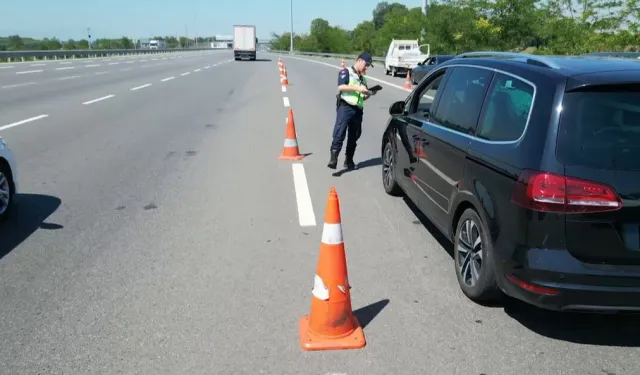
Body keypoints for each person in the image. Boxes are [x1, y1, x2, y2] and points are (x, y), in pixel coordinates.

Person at [328, 52, 377, 170]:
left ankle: (349, 160)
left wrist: (370, 93)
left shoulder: (363, 78)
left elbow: (363, 96)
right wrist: (357, 88)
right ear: (359, 60)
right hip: (345, 107)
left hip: (358, 109)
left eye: (368, 66)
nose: (366, 67)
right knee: (340, 132)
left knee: (354, 136)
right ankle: (333, 159)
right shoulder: (346, 72)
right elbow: (341, 87)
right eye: (366, 64)